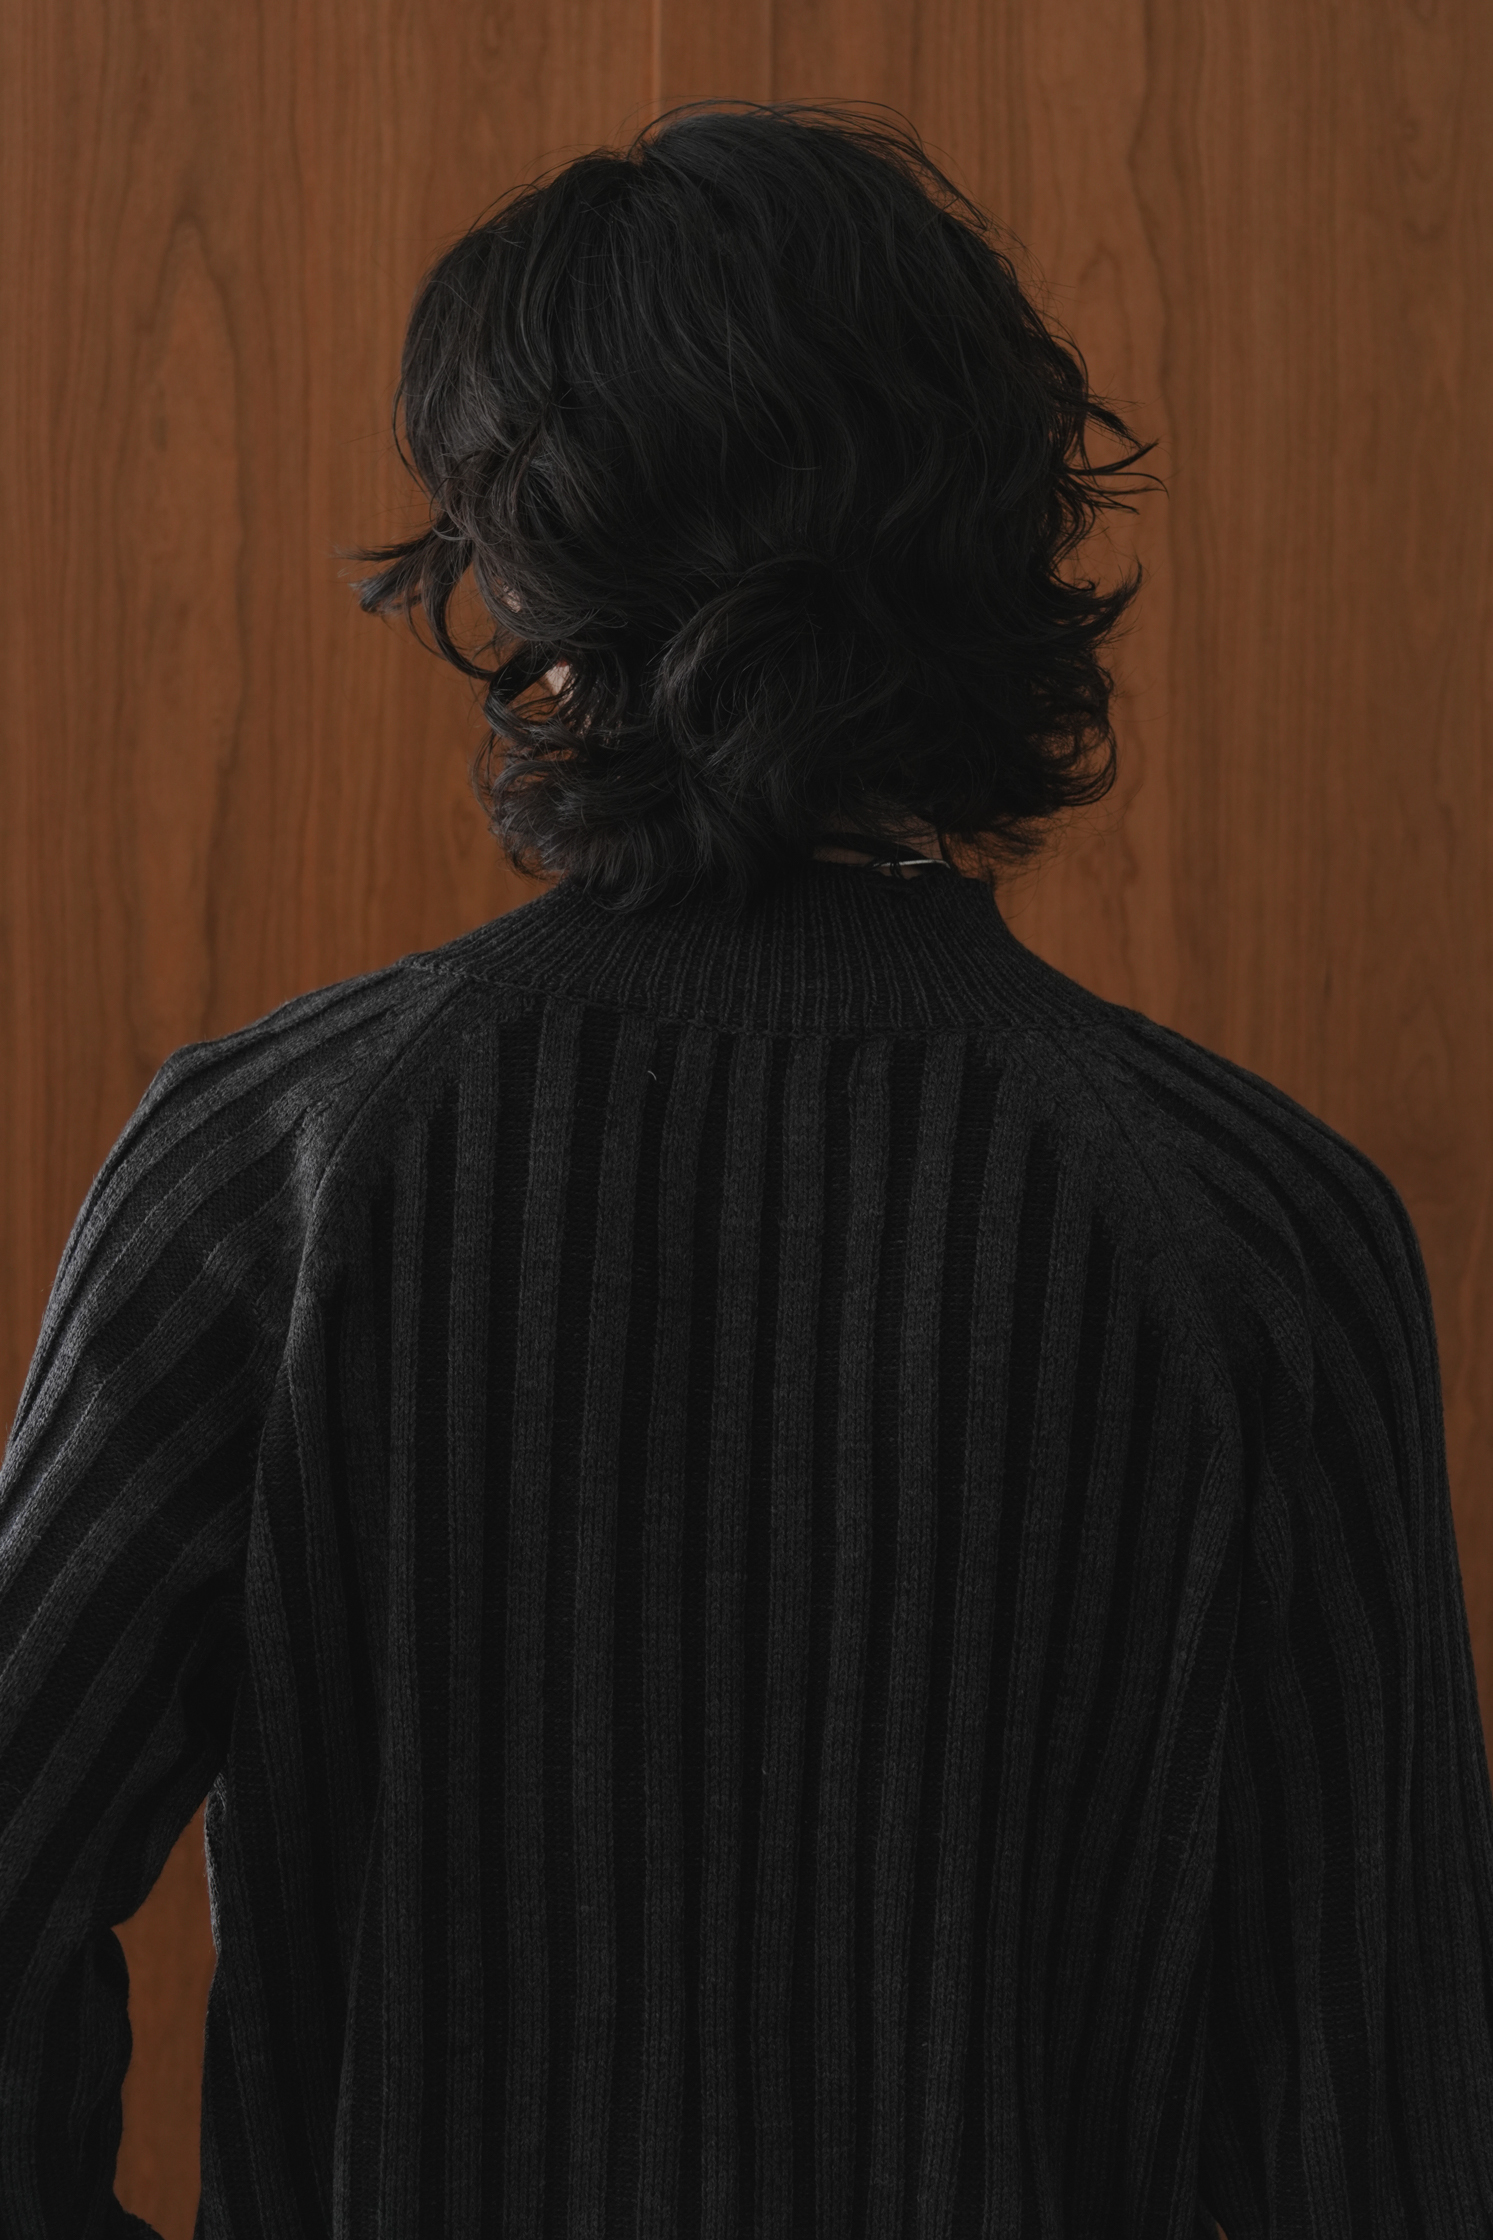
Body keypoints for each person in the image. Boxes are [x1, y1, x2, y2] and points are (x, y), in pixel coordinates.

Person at [2, 100, 1491, 2240]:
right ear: (1002, 543)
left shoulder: (275, 1166)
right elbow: (1389, 2125)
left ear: (523, 587)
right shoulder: (1257, 1230)